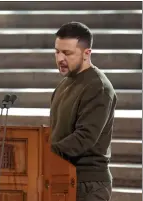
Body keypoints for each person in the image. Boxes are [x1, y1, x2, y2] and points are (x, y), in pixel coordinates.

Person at [50, 21, 117, 201]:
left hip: (88, 184)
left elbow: (85, 137)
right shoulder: (65, 83)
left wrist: (44, 153)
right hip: (64, 176)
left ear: (87, 53)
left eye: (67, 53)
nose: (60, 59)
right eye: (57, 51)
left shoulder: (98, 87)